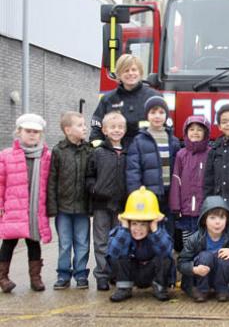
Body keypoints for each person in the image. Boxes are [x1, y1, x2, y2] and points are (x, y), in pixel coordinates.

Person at [0, 114, 51, 293]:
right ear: (19, 132)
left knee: (34, 243)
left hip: (35, 209)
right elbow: (1, 182)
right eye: (28, 131)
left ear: (41, 134)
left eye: (36, 132)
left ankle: (35, 278)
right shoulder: (6, 155)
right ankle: (3, 277)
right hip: (13, 209)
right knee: (8, 243)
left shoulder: (46, 157)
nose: (32, 135)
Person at [47, 111, 92, 290]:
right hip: (63, 208)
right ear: (68, 130)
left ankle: (81, 274)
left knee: (82, 242)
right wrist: (52, 207)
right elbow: (52, 180)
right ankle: (63, 274)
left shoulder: (89, 150)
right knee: (65, 243)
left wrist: (91, 206)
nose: (85, 128)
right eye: (80, 125)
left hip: (82, 207)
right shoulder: (58, 151)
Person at [107, 187, 174, 302]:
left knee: (165, 257)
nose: (138, 229)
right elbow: (113, 252)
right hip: (133, 271)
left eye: (143, 224)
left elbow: (166, 250)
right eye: (134, 224)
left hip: (151, 271)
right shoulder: (123, 231)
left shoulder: (158, 231)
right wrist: (124, 229)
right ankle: (124, 288)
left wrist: (155, 230)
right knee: (118, 255)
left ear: (150, 224)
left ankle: (159, 287)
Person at [85, 111, 128, 291]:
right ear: (104, 130)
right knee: (101, 241)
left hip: (121, 206)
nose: (116, 130)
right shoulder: (98, 152)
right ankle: (102, 275)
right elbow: (89, 176)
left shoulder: (128, 153)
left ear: (125, 130)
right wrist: (94, 189)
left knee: (118, 241)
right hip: (101, 205)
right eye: (112, 127)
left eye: (120, 127)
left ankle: (116, 273)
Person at [127, 96, 180, 236]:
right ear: (147, 116)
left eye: (161, 112)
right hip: (148, 194)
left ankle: (167, 256)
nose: (157, 116)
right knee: (150, 228)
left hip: (169, 194)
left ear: (166, 115)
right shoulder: (139, 140)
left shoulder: (173, 140)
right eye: (153, 112)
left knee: (168, 229)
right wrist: (136, 194)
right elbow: (133, 170)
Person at [177, 196, 229, 302]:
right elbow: (181, 263)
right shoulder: (195, 238)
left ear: (227, 220)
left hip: (222, 276)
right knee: (205, 256)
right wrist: (194, 269)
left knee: (224, 258)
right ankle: (202, 290)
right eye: (212, 218)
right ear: (204, 220)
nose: (218, 222)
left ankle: (221, 290)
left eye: (222, 218)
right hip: (200, 276)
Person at [89, 54, 160, 148]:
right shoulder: (108, 99)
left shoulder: (154, 97)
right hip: (116, 156)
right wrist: (99, 151)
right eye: (126, 70)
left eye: (134, 70)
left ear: (140, 72)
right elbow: (96, 129)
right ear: (118, 74)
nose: (130, 73)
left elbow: (165, 128)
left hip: (145, 155)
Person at [169, 115, 211, 248]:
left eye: (199, 129)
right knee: (187, 237)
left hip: (203, 207)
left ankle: (202, 260)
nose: (195, 132)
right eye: (191, 129)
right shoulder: (181, 154)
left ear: (206, 133)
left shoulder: (211, 153)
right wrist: (175, 205)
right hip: (185, 207)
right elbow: (176, 179)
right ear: (186, 133)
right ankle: (188, 260)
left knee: (203, 235)